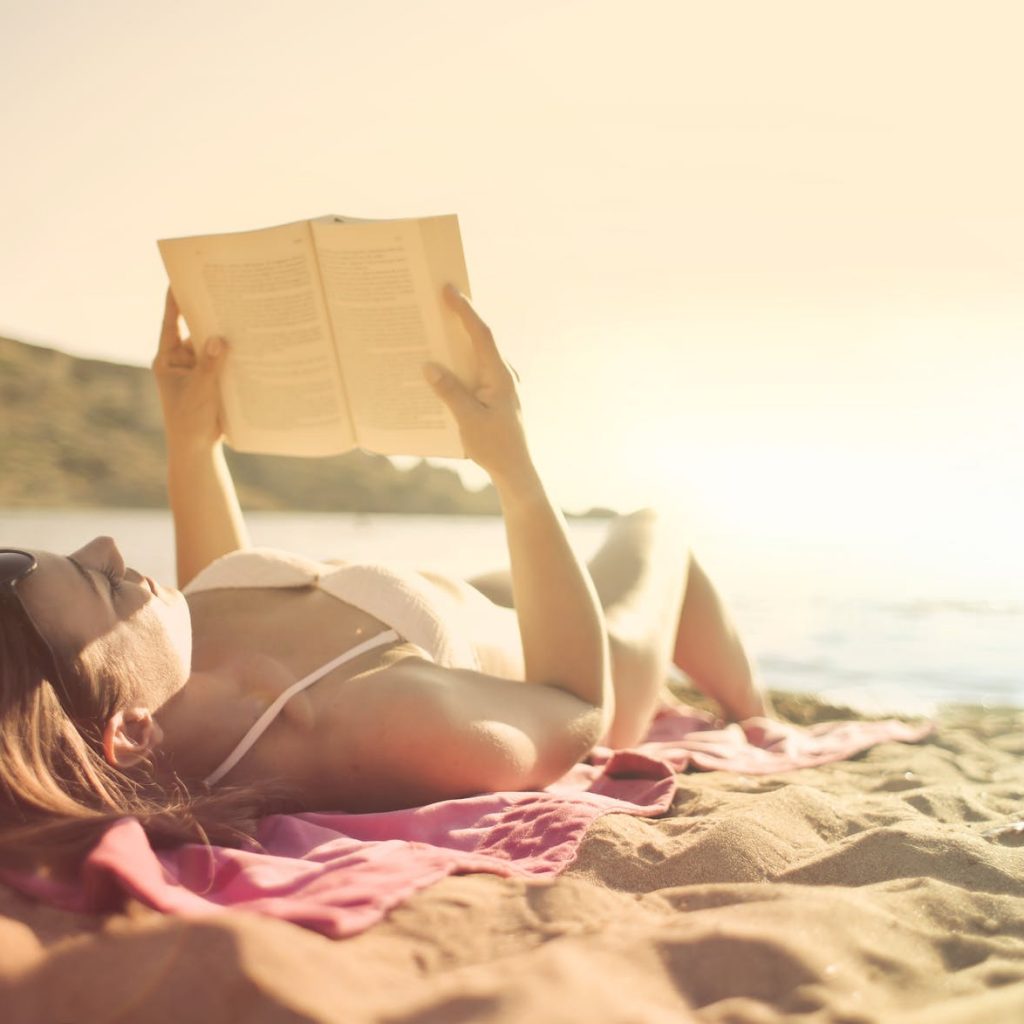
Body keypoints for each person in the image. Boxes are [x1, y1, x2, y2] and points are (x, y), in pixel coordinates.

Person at [0, 286, 768, 866]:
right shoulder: (373, 722)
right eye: (101, 588)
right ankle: (759, 715)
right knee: (653, 532)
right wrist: (515, 470)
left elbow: (218, 587)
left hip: (468, 604)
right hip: (578, 653)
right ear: (131, 731)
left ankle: (748, 705)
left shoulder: (168, 676)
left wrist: (192, 441)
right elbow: (571, 705)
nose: (107, 546)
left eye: (83, 558)